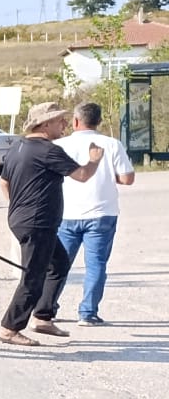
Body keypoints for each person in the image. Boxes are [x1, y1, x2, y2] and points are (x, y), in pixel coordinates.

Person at [0, 101, 104, 346]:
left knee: (59, 264)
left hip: (25, 219)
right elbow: (82, 175)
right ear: (45, 124)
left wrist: (18, 207)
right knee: (33, 277)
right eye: (59, 120)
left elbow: (4, 183)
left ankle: (43, 317)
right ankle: (9, 328)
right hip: (38, 223)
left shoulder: (17, 147)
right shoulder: (48, 150)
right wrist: (94, 159)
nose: (65, 124)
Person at [55, 101, 135, 326]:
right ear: (99, 121)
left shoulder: (60, 145)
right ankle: (88, 313)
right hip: (102, 212)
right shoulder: (112, 144)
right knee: (96, 264)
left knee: (60, 264)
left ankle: (47, 308)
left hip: (67, 212)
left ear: (75, 121)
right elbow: (127, 178)